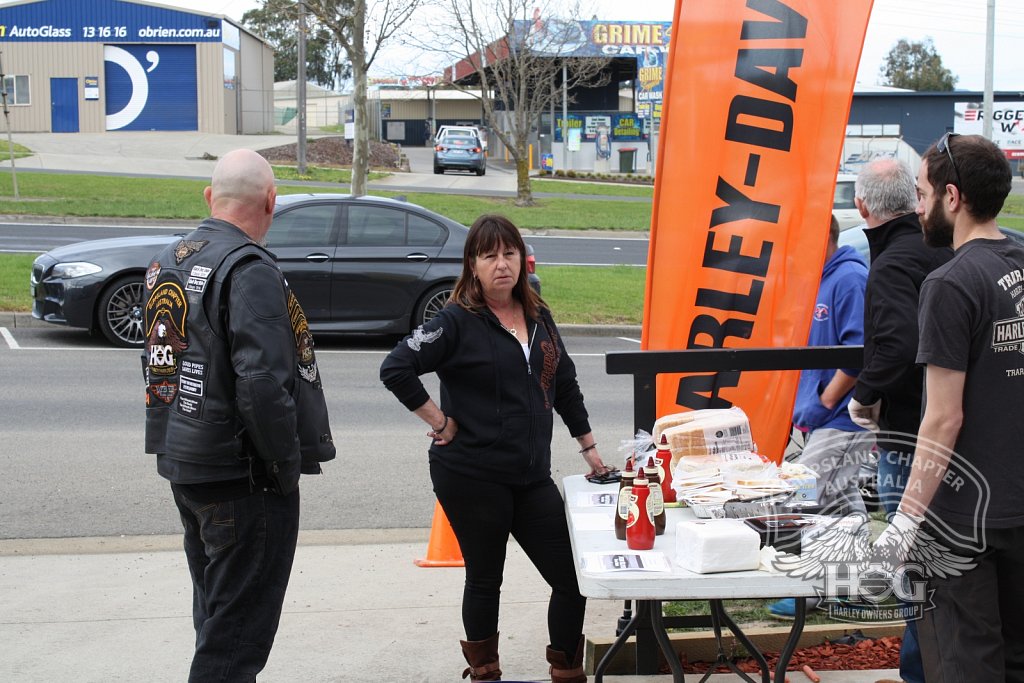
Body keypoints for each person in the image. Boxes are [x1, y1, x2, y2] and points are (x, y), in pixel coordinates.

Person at [379, 214, 612, 683]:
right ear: (473, 264)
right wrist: (440, 421)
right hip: (471, 474)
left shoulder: (539, 317)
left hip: (531, 477)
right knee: (486, 579)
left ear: (522, 261)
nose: (501, 264)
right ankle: (485, 672)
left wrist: (588, 447)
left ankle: (565, 670)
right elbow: (396, 367)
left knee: (571, 577)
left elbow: (563, 382)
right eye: (489, 255)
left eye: (509, 254)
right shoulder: (455, 321)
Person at [143, 149, 335, 681]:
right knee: (234, 640)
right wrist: (284, 467)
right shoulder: (249, 269)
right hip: (241, 478)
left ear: (211, 197)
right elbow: (262, 383)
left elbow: (160, 365)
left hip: (187, 463)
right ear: (271, 202)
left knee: (215, 616)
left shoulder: (169, 260)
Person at [885, 133, 1020, 681]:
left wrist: (905, 520)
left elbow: (944, 416)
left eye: (921, 194)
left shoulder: (949, 282)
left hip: (963, 522)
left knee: (965, 667)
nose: (917, 208)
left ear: (952, 197)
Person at [846, 157, 951, 683]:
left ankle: (916, 672)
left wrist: (862, 397)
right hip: (957, 433)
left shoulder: (890, 265)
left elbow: (898, 346)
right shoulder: (946, 246)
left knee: (911, 563)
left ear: (862, 207)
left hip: (909, 435)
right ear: (914, 198)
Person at [769, 214, 871, 619]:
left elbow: (859, 352)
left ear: (821, 239)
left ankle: (812, 590)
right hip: (827, 418)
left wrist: (826, 401)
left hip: (842, 420)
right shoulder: (824, 279)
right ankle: (849, 587)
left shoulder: (848, 279)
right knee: (843, 503)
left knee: (804, 495)